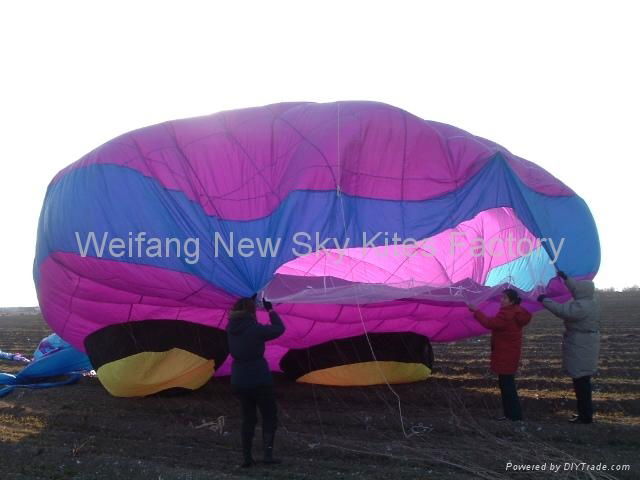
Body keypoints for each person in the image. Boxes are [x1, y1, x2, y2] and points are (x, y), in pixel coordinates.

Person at [226, 295, 285, 467]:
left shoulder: (230, 328)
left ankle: (247, 458)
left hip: (239, 379)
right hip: (259, 378)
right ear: (252, 312)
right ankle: (267, 455)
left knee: (248, 419)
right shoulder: (256, 329)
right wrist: (270, 310)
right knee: (269, 416)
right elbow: (279, 328)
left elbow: (247, 327)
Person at [537, 271, 600, 424]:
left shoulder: (581, 306)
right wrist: (566, 278)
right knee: (582, 381)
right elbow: (576, 289)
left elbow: (563, 311)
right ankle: (584, 414)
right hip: (584, 344)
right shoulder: (590, 301)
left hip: (581, 345)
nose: (574, 290)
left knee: (581, 382)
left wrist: (545, 300)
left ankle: (585, 416)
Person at [468, 289, 532, 421]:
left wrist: (476, 311)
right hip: (510, 352)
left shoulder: (507, 314)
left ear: (512, 301)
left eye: (504, 298)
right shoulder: (517, 311)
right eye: (501, 297)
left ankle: (513, 416)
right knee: (507, 383)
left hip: (505, 353)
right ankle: (512, 414)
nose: (501, 300)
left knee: (507, 386)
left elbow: (490, 323)